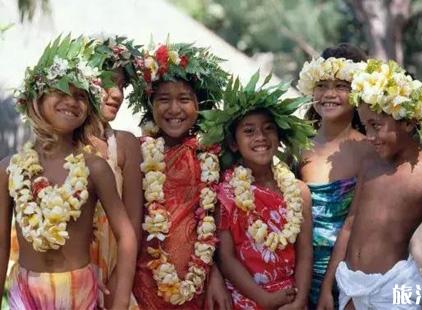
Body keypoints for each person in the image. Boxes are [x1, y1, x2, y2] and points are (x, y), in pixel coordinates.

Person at [0, 35, 137, 309]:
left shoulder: (93, 167)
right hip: (26, 295)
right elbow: (1, 245)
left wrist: (121, 298)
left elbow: (127, 235)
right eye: (61, 92)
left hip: (79, 294)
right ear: (35, 100)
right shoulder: (9, 168)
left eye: (81, 96)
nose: (71, 101)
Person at [317, 59, 422, 310]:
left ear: (409, 122)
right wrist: (328, 287)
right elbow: (349, 225)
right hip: (349, 283)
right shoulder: (370, 163)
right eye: (366, 126)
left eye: (376, 126)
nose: (369, 136)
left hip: (394, 288)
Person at [129, 42, 232, 309]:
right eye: (163, 99)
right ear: (149, 104)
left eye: (184, 99)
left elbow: (217, 223)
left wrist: (215, 276)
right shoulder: (136, 152)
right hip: (142, 282)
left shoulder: (210, 154)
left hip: (196, 283)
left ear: (200, 104)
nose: (174, 109)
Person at [200, 72, 315, 309]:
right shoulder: (225, 192)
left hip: (289, 299)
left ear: (279, 136)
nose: (260, 137)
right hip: (245, 300)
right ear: (234, 143)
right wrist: (264, 299)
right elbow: (227, 258)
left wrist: (301, 299)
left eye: (268, 128)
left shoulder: (299, 191)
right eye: (249, 131)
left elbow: (304, 253)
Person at [297, 44, 374, 307]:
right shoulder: (297, 146)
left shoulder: (369, 151)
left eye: (341, 85)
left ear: (358, 92)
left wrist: (332, 288)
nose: (329, 94)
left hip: (346, 277)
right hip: (295, 273)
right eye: (322, 85)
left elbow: (361, 227)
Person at [88, 35, 144, 308]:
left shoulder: (124, 144)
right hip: (67, 276)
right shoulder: (58, 145)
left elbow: (133, 223)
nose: (118, 94)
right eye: (108, 82)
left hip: (115, 274)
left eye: (122, 84)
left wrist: (119, 290)